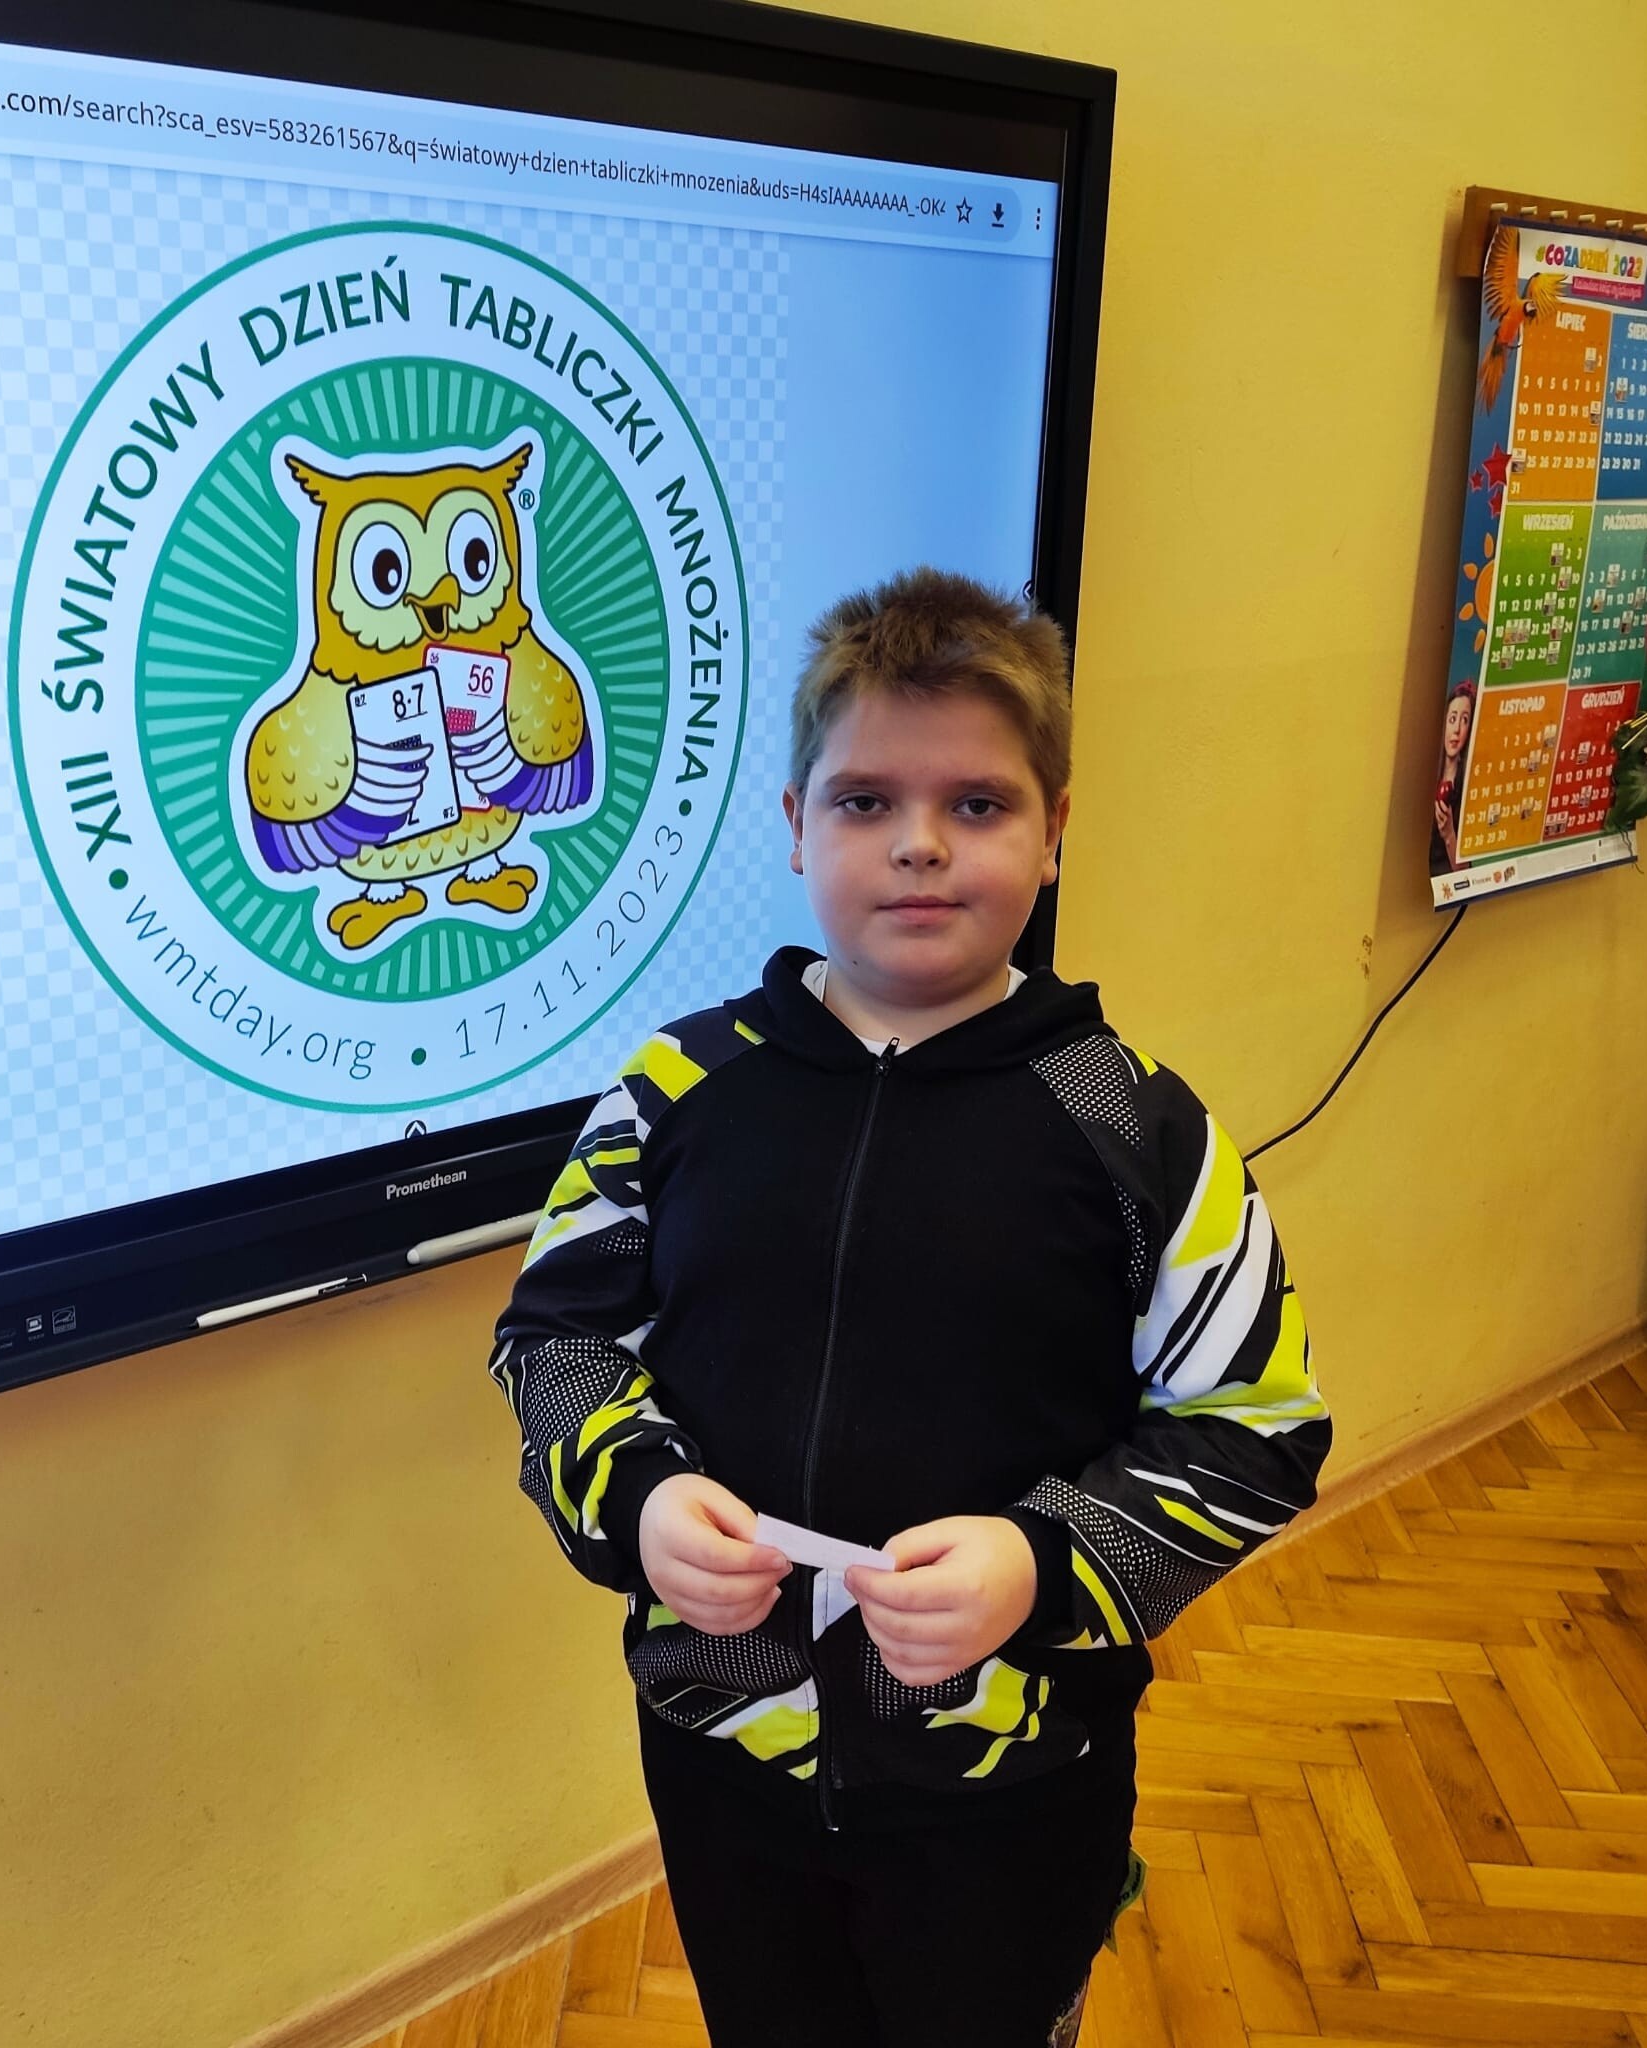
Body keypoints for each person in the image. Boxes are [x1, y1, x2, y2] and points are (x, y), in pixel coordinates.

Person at [488, 567, 1330, 2048]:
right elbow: (553, 1340)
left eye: (978, 804)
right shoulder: (675, 1089)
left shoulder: (1138, 1127)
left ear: (1054, 831)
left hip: (1015, 1783)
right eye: (866, 800)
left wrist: (1037, 1561)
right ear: (795, 823)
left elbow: (1255, 1427)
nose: (920, 844)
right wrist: (640, 1496)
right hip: (721, 1753)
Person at [1431, 681, 1476, 874]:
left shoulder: (1469, 788)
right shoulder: (1425, 774)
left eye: (1464, 720)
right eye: (1452, 719)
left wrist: (1449, 834)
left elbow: (1465, 875)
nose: (1457, 729)